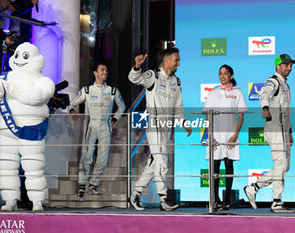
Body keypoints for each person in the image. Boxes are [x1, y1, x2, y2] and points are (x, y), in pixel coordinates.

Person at [0, 42, 55, 212]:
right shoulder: (5, 77)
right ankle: (10, 200)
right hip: (5, 129)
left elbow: (39, 96)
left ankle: (37, 201)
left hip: (32, 128)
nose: (19, 59)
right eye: (17, 55)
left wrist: (14, 92)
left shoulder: (43, 80)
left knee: (34, 166)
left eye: (24, 56)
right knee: (6, 166)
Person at [128, 47, 192, 211]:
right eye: (176, 60)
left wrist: (183, 122)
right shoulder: (153, 76)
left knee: (154, 163)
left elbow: (178, 106)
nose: (178, 63)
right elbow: (134, 78)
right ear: (167, 60)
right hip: (154, 124)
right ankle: (164, 199)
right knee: (162, 162)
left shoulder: (176, 81)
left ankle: (135, 193)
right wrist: (137, 66)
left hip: (166, 127)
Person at [244, 54, 295, 213]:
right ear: (278, 66)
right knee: (281, 165)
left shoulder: (285, 84)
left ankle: (254, 187)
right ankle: (276, 201)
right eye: (286, 65)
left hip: (283, 130)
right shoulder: (273, 81)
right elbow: (264, 95)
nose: (289, 68)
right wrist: (265, 108)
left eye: (290, 65)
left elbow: (286, 112)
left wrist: (290, 132)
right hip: (274, 129)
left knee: (284, 166)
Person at [69, 62, 125, 201]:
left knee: (102, 159)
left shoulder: (112, 91)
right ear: (95, 73)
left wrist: (114, 119)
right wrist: (72, 110)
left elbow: (122, 107)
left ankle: (93, 185)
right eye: (102, 69)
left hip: (106, 126)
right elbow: (73, 103)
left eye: (106, 69)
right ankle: (82, 185)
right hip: (91, 125)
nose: (105, 72)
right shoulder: (87, 90)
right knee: (86, 156)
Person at [203, 64, 247, 210]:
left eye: (226, 73)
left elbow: (240, 116)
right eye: (220, 73)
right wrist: (210, 135)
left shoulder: (238, 93)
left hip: (231, 135)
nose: (222, 76)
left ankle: (227, 199)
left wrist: (235, 135)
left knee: (229, 165)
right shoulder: (212, 93)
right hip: (215, 135)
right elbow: (208, 116)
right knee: (214, 168)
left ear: (231, 76)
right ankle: (215, 199)